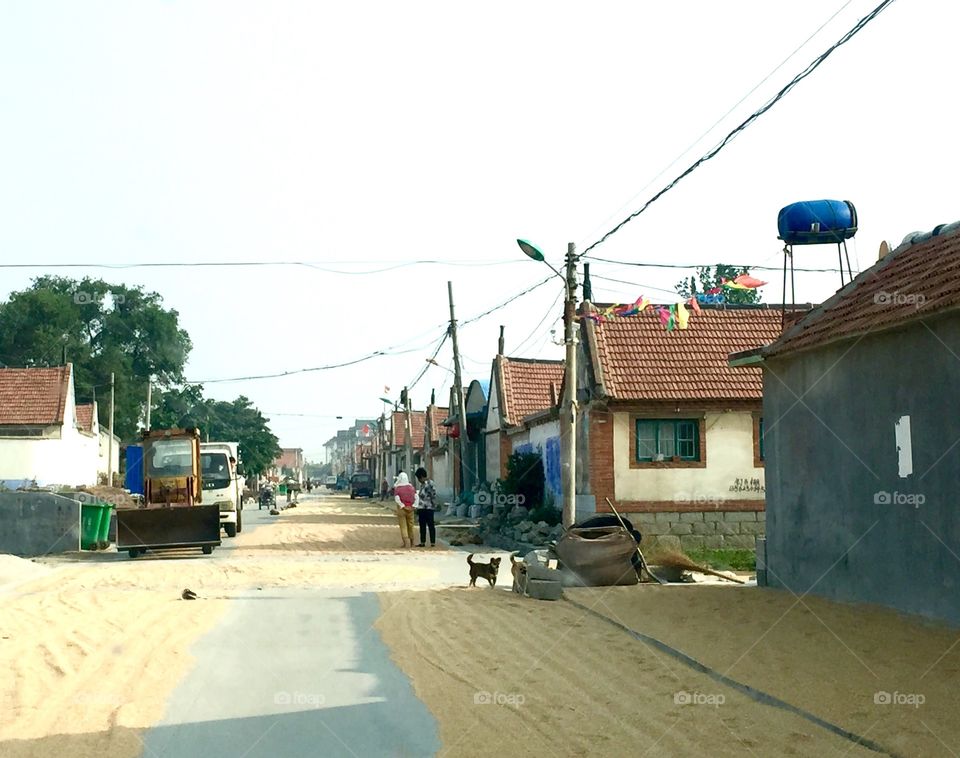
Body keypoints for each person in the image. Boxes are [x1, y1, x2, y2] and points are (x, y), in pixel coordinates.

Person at [414, 466, 438, 547]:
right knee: (422, 525)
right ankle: (423, 542)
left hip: (429, 508)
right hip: (421, 508)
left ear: (421, 477)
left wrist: (434, 505)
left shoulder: (430, 484)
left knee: (431, 525)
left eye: (418, 478)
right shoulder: (422, 485)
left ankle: (432, 542)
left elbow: (433, 495)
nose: (418, 480)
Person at [393, 472, 418, 548]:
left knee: (403, 526)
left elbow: (397, 499)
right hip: (411, 509)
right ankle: (412, 543)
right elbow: (417, 497)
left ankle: (405, 543)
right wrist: (414, 506)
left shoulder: (398, 488)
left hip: (402, 510)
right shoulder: (411, 488)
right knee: (411, 525)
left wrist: (403, 506)